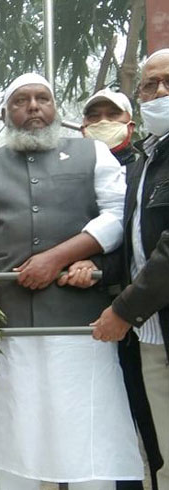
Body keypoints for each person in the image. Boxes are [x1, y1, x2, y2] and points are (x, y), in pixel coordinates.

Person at [0, 73, 143, 489]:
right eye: (22, 100)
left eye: (43, 98)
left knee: (86, 440)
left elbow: (116, 215)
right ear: (8, 114)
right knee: (14, 439)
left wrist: (60, 258)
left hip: (81, 329)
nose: (34, 107)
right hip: (10, 332)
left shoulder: (92, 153)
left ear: (56, 108)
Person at [90, 48, 169, 490]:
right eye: (149, 85)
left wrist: (122, 310)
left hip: (142, 319)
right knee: (158, 455)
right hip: (150, 336)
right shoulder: (145, 162)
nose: (159, 92)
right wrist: (92, 265)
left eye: (168, 82)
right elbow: (131, 241)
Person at [81, 88, 137, 167]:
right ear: (83, 130)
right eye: (94, 116)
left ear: (130, 128)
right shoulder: (69, 173)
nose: (103, 121)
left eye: (113, 114)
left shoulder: (146, 171)